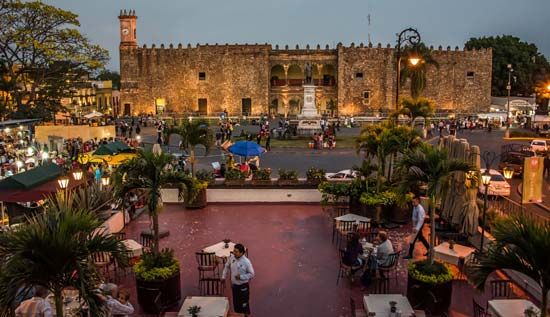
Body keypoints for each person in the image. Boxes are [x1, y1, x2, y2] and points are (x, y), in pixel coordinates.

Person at [222, 244, 254, 316]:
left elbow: (252, 274)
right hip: (234, 287)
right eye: (234, 251)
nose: (233, 252)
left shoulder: (246, 262)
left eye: (236, 251)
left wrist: (241, 277)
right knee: (236, 306)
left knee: (244, 306)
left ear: (242, 253)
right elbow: (227, 266)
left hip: (243, 287)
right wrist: (223, 276)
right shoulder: (231, 257)